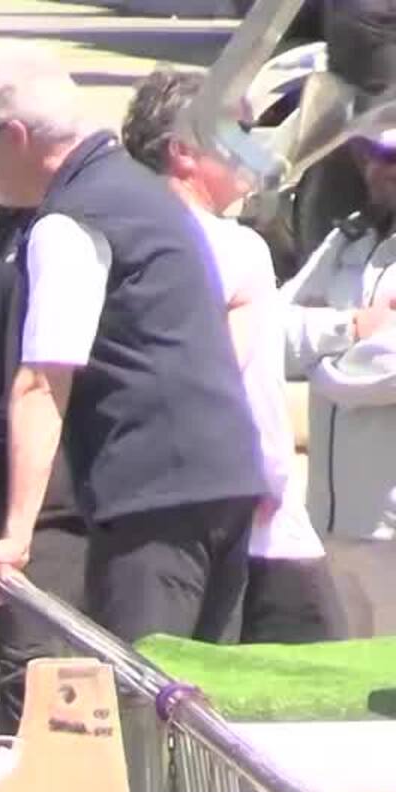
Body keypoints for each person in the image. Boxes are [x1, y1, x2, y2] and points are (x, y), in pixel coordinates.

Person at [0, 45, 268, 646]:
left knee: (144, 692)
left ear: (15, 136)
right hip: (226, 483)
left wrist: (15, 536)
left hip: (152, 500)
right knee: (206, 694)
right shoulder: (145, 193)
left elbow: (42, 381)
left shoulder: (71, 220)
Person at [122, 69, 346, 644]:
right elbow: (206, 376)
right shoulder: (224, 246)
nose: (253, 149)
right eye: (238, 132)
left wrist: (345, 326)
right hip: (245, 516)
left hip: (204, 507)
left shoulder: (135, 234)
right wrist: (257, 473)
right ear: (184, 151)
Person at [281, 128, 396, 545]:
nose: (380, 168)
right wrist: (348, 328)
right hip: (327, 523)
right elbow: (269, 332)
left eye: (392, 156)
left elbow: (385, 373)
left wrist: (317, 366)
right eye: (372, 153)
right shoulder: (347, 240)